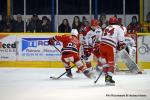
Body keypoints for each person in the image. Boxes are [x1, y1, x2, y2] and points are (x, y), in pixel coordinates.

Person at [99, 16, 125, 85]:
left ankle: (106, 78)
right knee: (111, 64)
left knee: (106, 64)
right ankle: (109, 79)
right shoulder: (119, 28)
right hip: (109, 47)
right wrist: (121, 46)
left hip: (101, 46)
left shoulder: (106, 28)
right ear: (116, 22)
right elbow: (121, 40)